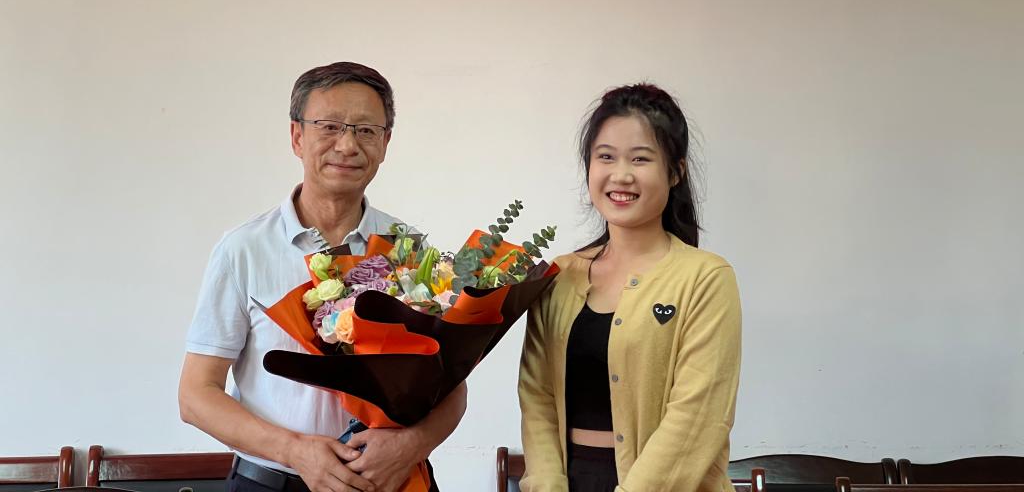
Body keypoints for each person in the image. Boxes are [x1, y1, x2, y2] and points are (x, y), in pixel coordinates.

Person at [179, 62, 467, 492]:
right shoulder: (244, 249)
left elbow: (453, 388)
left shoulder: (408, 249)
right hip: (272, 484)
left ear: (385, 143)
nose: (347, 145)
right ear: (297, 136)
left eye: (366, 130)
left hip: (388, 481)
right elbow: (196, 395)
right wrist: (294, 450)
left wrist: (411, 445)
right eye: (329, 127)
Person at [519, 84, 741, 492]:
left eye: (640, 158)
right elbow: (537, 399)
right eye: (605, 156)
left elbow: (697, 418)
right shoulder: (559, 277)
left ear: (675, 171)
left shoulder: (706, 278)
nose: (620, 175)